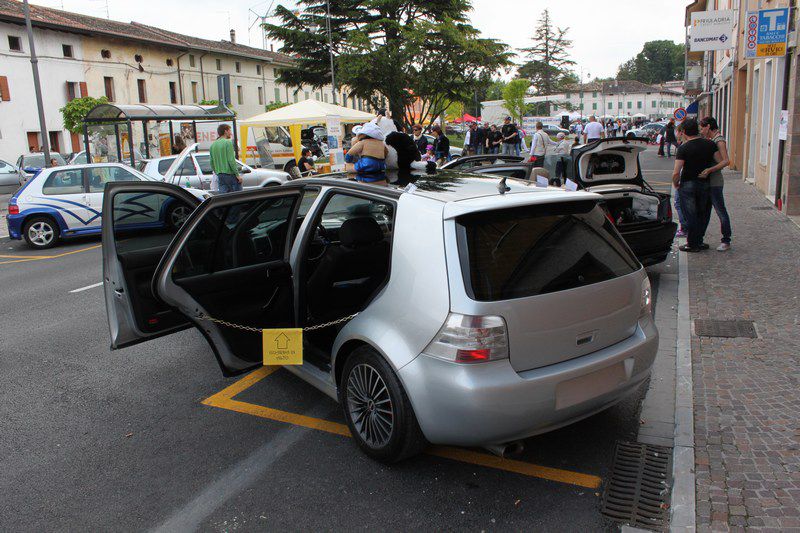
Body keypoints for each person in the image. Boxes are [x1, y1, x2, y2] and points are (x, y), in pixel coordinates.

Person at [671, 119, 719, 252]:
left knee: (690, 215)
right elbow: (720, 161)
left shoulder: (683, 148)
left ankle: (692, 244)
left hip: (688, 184)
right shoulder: (710, 144)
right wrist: (708, 171)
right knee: (703, 213)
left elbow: (676, 172)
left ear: (685, 132)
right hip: (705, 182)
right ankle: (699, 241)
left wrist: (676, 183)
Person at [699, 117, 732, 251]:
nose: (701, 131)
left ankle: (726, 240)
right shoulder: (711, 140)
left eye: (702, 128)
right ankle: (699, 238)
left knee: (720, 211)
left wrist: (709, 170)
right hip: (709, 181)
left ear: (708, 127)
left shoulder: (719, 141)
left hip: (715, 182)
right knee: (705, 212)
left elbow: (726, 161)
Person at [209, 124, 241, 193]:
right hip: (230, 175)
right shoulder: (228, 142)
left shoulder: (213, 145)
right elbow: (231, 160)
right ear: (225, 131)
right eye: (230, 131)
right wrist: (237, 175)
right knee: (238, 197)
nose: (231, 133)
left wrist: (217, 172)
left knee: (224, 197)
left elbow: (211, 163)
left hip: (220, 175)